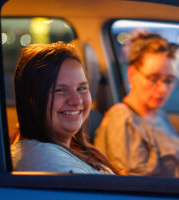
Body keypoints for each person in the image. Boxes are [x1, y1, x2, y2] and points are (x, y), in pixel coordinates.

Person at [94, 30, 179, 178]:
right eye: (153, 78)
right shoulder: (123, 120)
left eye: (169, 81)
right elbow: (135, 188)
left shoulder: (158, 114)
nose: (163, 89)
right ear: (132, 74)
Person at [11, 42, 121, 175]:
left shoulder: (71, 148)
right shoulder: (42, 157)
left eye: (81, 88)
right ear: (31, 98)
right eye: (59, 90)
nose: (77, 101)